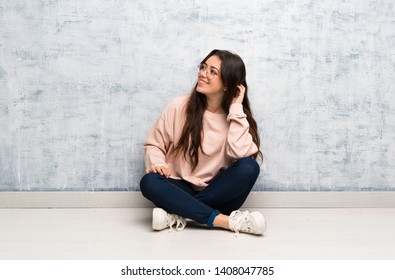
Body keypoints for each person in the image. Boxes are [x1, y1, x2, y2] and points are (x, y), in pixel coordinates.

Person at [140, 49, 267, 235]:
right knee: (150, 182)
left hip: (219, 193)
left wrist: (236, 107)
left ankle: (180, 214)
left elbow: (241, 154)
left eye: (212, 71)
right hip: (178, 186)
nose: (203, 73)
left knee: (249, 166)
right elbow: (154, 145)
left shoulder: (236, 117)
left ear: (227, 85)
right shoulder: (178, 106)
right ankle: (226, 221)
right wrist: (158, 163)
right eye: (203, 67)